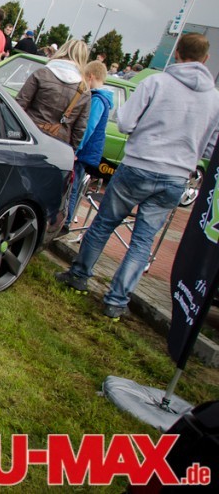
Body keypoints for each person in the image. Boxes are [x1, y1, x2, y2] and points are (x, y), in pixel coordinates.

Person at [56, 33, 219, 320]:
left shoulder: (156, 83)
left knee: (104, 224)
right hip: (176, 175)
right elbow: (210, 146)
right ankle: (116, 300)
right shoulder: (214, 99)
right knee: (143, 241)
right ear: (205, 59)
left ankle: (79, 275)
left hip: (139, 165)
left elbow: (126, 121)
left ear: (176, 53)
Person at [62, 60, 112, 232]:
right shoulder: (103, 99)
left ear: (90, 77)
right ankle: (67, 218)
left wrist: (77, 148)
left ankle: (67, 220)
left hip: (84, 151)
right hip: (89, 151)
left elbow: (88, 126)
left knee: (73, 186)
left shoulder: (97, 100)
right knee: (74, 185)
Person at [15, 38, 91, 148]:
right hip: (59, 144)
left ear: (63, 50)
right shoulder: (84, 90)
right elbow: (80, 128)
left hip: (30, 135)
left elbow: (19, 105)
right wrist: (71, 150)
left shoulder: (42, 73)